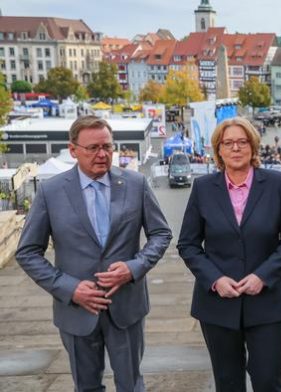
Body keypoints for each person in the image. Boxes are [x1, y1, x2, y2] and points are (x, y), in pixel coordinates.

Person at [15, 115, 172, 391]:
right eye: (93, 148)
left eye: (107, 147)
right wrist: (70, 288)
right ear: (73, 150)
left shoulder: (136, 184)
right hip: (76, 310)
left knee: (132, 385)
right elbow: (27, 252)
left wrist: (134, 267)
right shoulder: (51, 192)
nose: (102, 154)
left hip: (126, 307)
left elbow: (161, 234)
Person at [177, 118, 281, 392]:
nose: (236, 148)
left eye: (242, 141)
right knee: (228, 382)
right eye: (228, 143)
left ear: (253, 146)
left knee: (269, 380)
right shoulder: (203, 188)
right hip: (217, 304)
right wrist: (214, 279)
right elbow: (187, 244)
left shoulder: (276, 183)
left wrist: (263, 275)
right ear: (218, 150)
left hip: (267, 302)